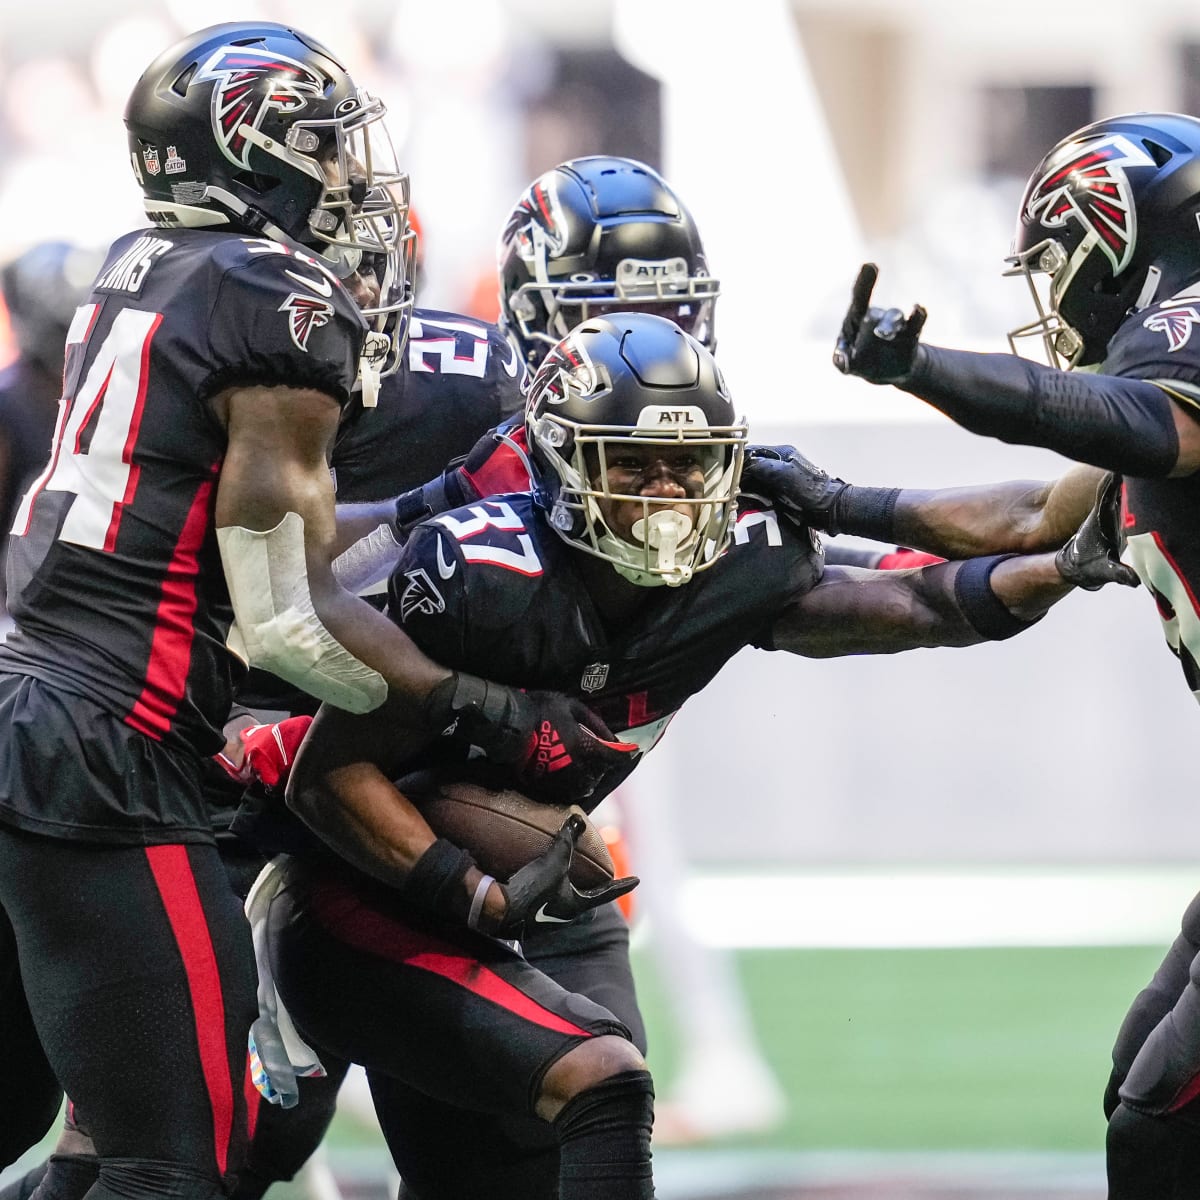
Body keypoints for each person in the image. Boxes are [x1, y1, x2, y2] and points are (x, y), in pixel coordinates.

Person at [268, 311, 1123, 1200]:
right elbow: (326, 778)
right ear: (559, 459)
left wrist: (1060, 568)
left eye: (688, 464)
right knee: (597, 1085)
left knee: (540, 1159)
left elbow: (922, 606)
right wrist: (466, 888)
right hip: (371, 891)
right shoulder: (477, 572)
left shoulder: (740, 565)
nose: (666, 494)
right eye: (630, 465)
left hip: (549, 886)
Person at [0, 20, 628, 1200]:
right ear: (252, 152)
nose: (352, 175)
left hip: (31, 705)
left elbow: (219, 529)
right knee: (178, 1163)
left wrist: (434, 499)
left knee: (60, 1128)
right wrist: (479, 711)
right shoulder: (277, 292)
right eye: (325, 146)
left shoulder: (141, 263)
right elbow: (286, 614)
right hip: (108, 744)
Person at [755, 110, 1200, 1200]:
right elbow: (1033, 516)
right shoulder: (1148, 417)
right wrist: (835, 498)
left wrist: (927, 369)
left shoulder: (1171, 388)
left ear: (1116, 240)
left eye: (1057, 260)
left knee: (1160, 1121)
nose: (1054, 295)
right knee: (1139, 1087)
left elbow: (1151, 427)